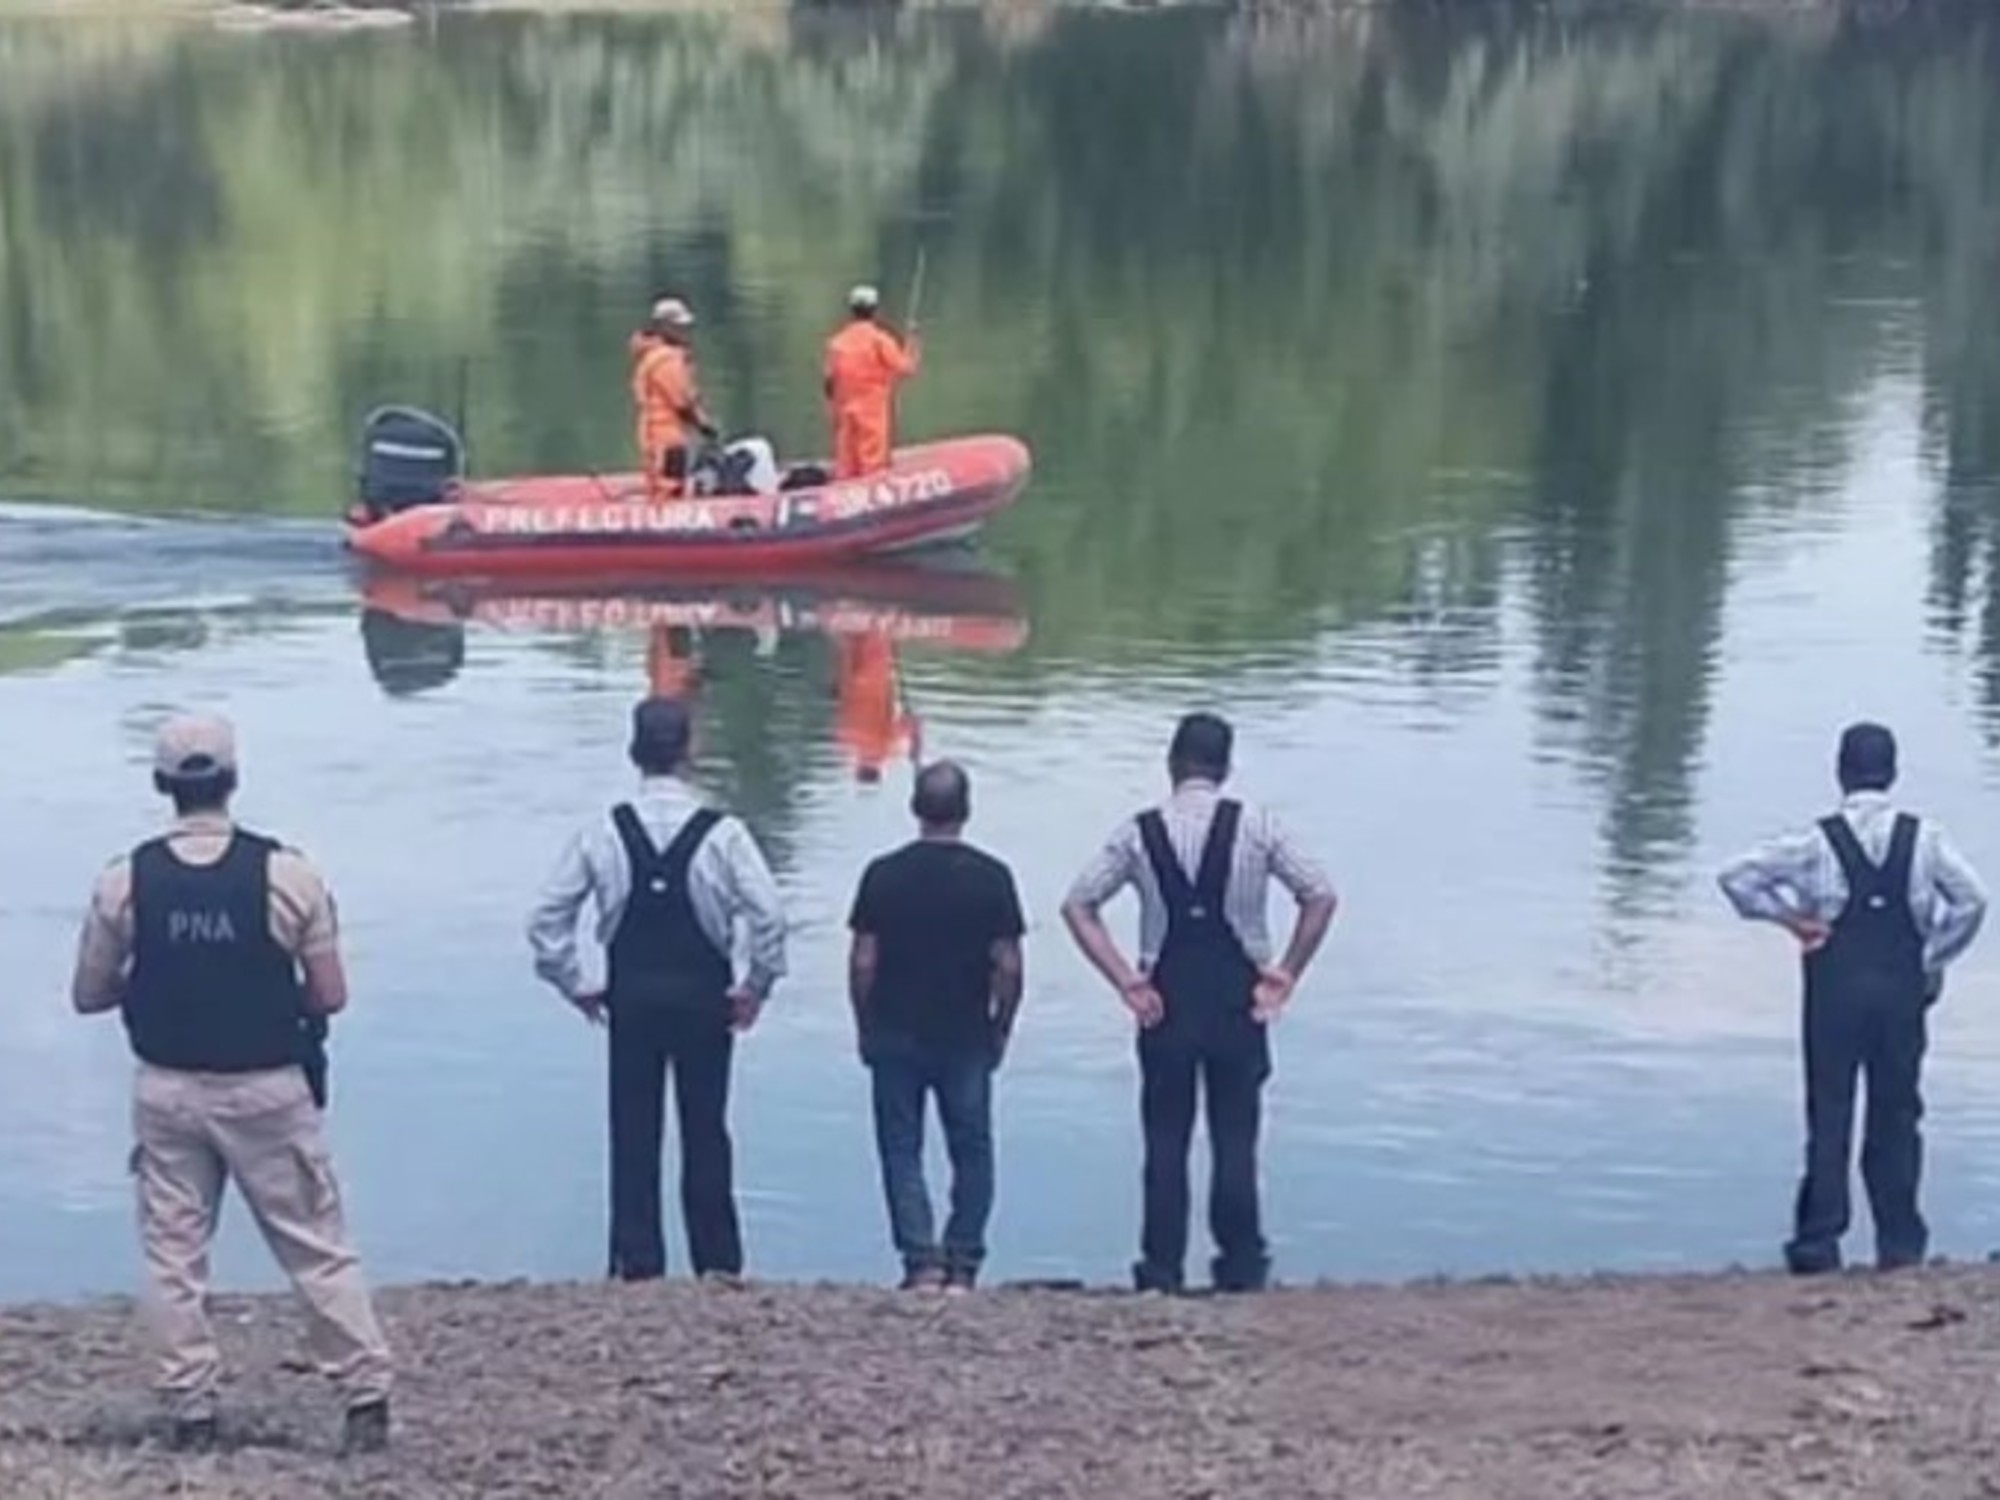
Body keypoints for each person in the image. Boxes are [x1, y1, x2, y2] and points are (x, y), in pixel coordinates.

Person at [69, 714, 392, 1456]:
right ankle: (364, 1395)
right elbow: (330, 994)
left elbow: (89, 994)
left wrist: (160, 977)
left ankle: (191, 1408)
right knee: (315, 1242)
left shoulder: (124, 881)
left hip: (167, 1091)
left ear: (163, 785)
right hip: (268, 1088)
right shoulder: (290, 875)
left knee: (174, 1255)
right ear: (234, 780)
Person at [1061, 712, 1338, 1294]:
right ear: (1226, 766)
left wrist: (1124, 980)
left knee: (1166, 1140)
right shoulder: (1258, 826)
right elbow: (1319, 894)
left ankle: (1160, 1268)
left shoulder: (1138, 832)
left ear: (1172, 763)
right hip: (1240, 999)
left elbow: (1078, 905)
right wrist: (1287, 971)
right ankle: (1240, 1264)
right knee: (1236, 1138)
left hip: (1165, 1001)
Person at [528, 697, 787, 1284]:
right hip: (704, 998)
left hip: (632, 997)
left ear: (633, 751)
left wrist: (574, 983)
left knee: (632, 1129)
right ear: (690, 750)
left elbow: (546, 920)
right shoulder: (725, 835)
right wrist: (755, 985)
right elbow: (769, 916)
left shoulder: (602, 832)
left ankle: (637, 1262)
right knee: (707, 1129)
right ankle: (717, 1262)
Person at [1718, 722, 1987, 1275]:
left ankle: (1819, 1243)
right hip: (1901, 991)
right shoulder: (1926, 838)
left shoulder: (1815, 841)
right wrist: (1931, 958)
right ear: (1893, 774)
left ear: (1840, 771)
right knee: (1898, 1111)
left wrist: (1792, 921)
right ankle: (1900, 1243)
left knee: (1830, 1108)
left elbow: (1736, 877)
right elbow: (1973, 901)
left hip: (1834, 991)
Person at [847, 761, 1025, 1292]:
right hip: (966, 1031)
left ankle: (920, 1260)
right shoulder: (992, 877)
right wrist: (1002, 1025)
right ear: (966, 810)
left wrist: (863, 1022)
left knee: (901, 1148)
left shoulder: (882, 874)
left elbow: (863, 961)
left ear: (915, 809)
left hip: (895, 1027)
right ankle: (963, 1261)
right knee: (972, 1148)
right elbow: (1009, 966)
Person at [823, 283, 920, 480]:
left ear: (851, 310)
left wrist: (832, 407)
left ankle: (845, 485)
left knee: (846, 459)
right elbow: (906, 368)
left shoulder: (836, 342)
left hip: (844, 408)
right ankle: (870, 484)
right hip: (872, 410)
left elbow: (829, 381)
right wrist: (912, 343)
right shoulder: (880, 340)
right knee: (872, 459)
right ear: (875, 310)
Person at [630, 296, 718, 502]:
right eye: (678, 326)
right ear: (663, 326)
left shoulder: (654, 355)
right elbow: (682, 402)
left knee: (664, 484)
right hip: (666, 438)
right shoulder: (666, 360)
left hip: (660, 434)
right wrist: (704, 425)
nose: (684, 331)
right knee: (669, 489)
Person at [833, 631, 920, 784]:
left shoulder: (887, 747)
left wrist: (915, 740)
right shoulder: (845, 741)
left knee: (876, 634)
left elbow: (909, 725)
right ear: (857, 768)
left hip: (871, 679)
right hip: (853, 678)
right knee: (857, 634)